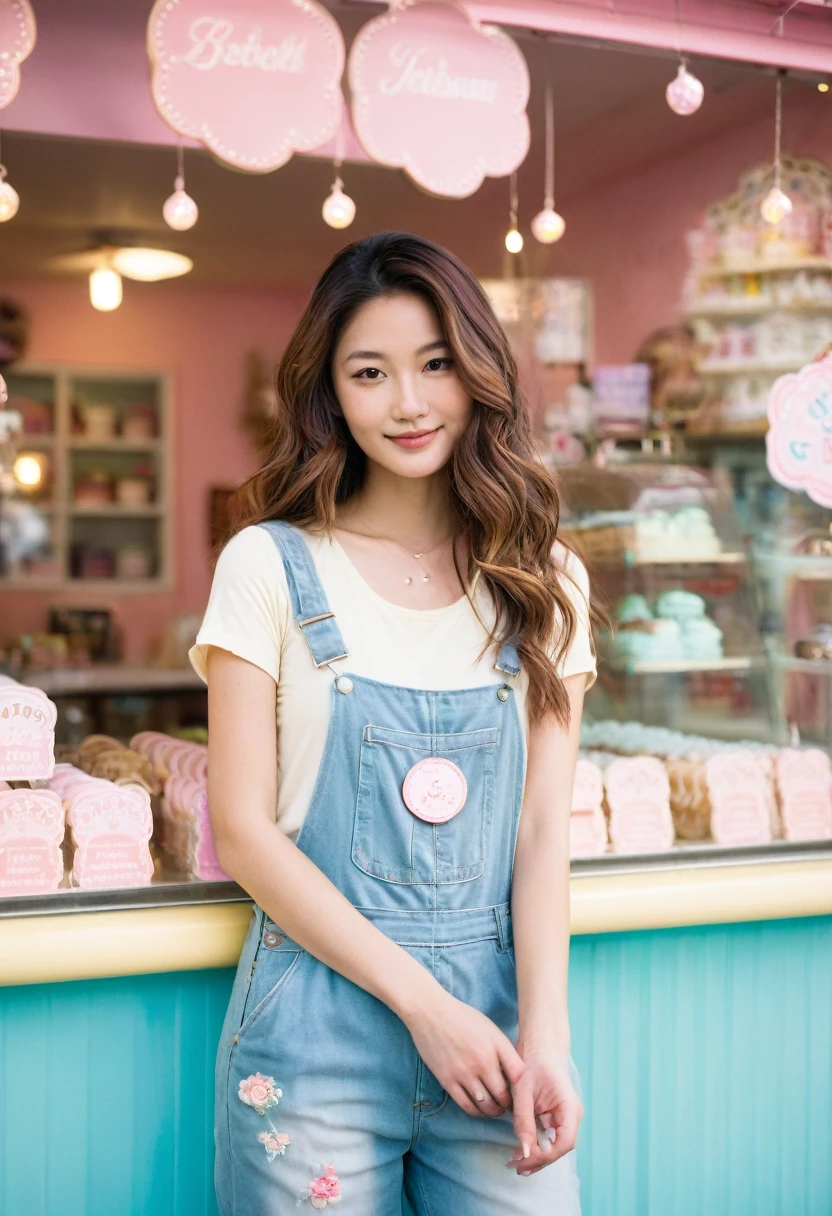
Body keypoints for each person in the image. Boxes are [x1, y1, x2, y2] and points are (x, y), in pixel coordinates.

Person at [191, 232, 597, 1215]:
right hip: (313, 1042)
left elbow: (542, 837)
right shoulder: (268, 565)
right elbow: (243, 831)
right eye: (369, 372)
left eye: (436, 364)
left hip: (494, 1045)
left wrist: (548, 1037)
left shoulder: (546, 583)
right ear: (330, 391)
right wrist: (426, 1008)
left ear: (478, 374)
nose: (408, 403)